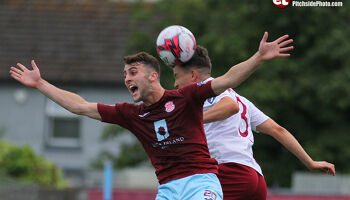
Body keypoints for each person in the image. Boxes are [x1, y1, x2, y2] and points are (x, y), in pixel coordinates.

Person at [9, 32, 293, 200]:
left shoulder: (186, 98)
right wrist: (40, 84)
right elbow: (80, 106)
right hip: (168, 190)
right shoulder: (132, 114)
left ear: (154, 76)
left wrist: (258, 58)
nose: (126, 79)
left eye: (133, 73)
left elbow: (229, 78)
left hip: (201, 183)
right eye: (124, 75)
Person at [172, 45, 336, 200]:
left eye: (176, 76)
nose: (175, 84)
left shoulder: (207, 91)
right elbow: (278, 130)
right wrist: (310, 162)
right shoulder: (242, 99)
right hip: (254, 178)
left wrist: (192, 119)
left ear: (193, 75)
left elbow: (230, 106)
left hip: (229, 172)